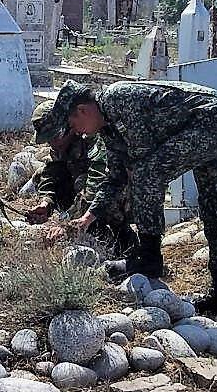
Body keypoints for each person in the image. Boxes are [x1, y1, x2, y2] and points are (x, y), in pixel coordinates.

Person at [42, 80, 217, 317]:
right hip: (216, 122)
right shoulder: (109, 129)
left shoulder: (119, 99)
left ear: (83, 110)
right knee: (214, 205)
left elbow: (143, 163)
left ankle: (149, 256)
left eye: (72, 123)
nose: (75, 132)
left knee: (148, 172)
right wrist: (87, 218)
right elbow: (115, 179)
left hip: (214, 118)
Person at [26, 101, 138, 271]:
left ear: (68, 127)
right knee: (43, 174)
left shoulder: (95, 138)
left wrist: (67, 226)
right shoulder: (62, 146)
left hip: (122, 198)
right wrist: (46, 203)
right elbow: (52, 173)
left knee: (87, 187)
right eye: (48, 139)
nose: (52, 144)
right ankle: (92, 232)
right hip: (89, 202)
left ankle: (122, 241)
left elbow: (96, 187)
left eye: (54, 137)